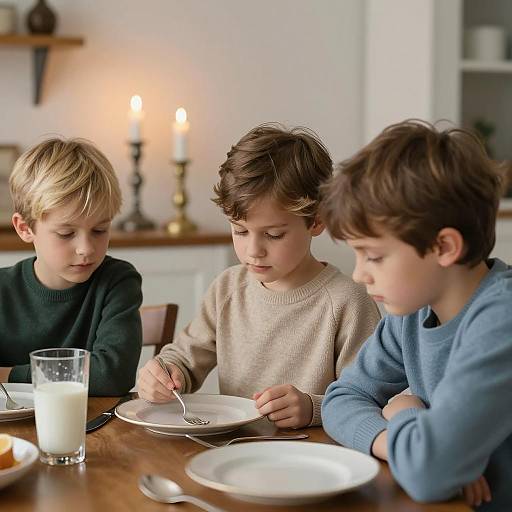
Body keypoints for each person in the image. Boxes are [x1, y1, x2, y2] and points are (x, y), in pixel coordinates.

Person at [320, 119, 512, 510]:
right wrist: (406, 441)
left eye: (373, 256)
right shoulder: (410, 311)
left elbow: (429, 475)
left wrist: (405, 411)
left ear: (444, 247)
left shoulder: (501, 321)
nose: (358, 273)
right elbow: (340, 398)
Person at [137, 123, 380, 428]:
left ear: (317, 221)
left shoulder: (347, 302)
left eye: (274, 234)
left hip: (313, 459)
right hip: (232, 452)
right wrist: (165, 372)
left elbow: (367, 397)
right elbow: (185, 360)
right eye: (240, 231)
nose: (253, 250)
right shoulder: (227, 288)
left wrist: (312, 408)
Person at [0, 138, 143, 396]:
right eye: (66, 233)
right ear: (25, 228)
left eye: (100, 230)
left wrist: (9, 374)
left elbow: (113, 375)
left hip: (97, 430)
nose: (86, 248)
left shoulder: (118, 281)